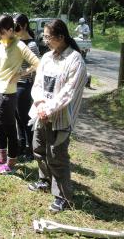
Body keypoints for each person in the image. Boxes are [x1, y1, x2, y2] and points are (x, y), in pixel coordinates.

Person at [28, 19, 87, 212]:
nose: (45, 40)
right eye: (44, 36)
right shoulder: (46, 58)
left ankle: (63, 196)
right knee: (38, 149)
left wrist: (48, 109)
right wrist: (39, 104)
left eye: (48, 37)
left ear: (61, 37)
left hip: (59, 117)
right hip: (41, 113)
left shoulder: (75, 60)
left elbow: (68, 92)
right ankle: (44, 180)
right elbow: (37, 84)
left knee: (57, 156)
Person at [0, 14, 40, 174]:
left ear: (11, 30)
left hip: (7, 92)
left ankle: (11, 163)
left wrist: (22, 74)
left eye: (1, 32)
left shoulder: (20, 45)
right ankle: (2, 158)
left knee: (9, 128)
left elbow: (38, 63)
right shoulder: (2, 43)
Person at [13, 14, 40, 162]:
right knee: (18, 117)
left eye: (16, 26)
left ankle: (31, 149)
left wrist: (24, 73)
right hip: (15, 84)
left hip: (25, 85)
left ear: (23, 26)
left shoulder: (31, 45)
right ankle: (21, 145)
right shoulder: (17, 42)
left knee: (25, 118)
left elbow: (37, 65)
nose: (14, 29)